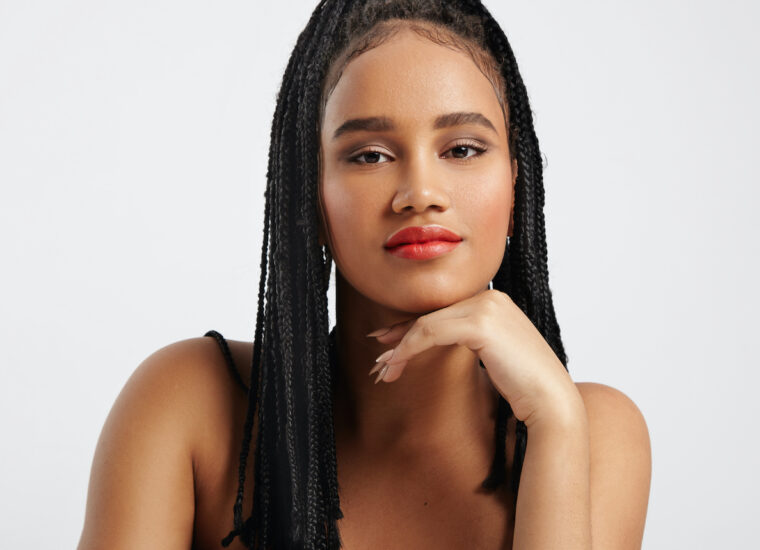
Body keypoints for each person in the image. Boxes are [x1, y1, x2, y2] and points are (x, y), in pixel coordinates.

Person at [77, 1, 651, 548]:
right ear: (311, 197)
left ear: (516, 188)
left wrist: (554, 425)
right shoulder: (191, 406)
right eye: (369, 155)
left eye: (464, 149)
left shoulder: (589, 433)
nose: (421, 193)